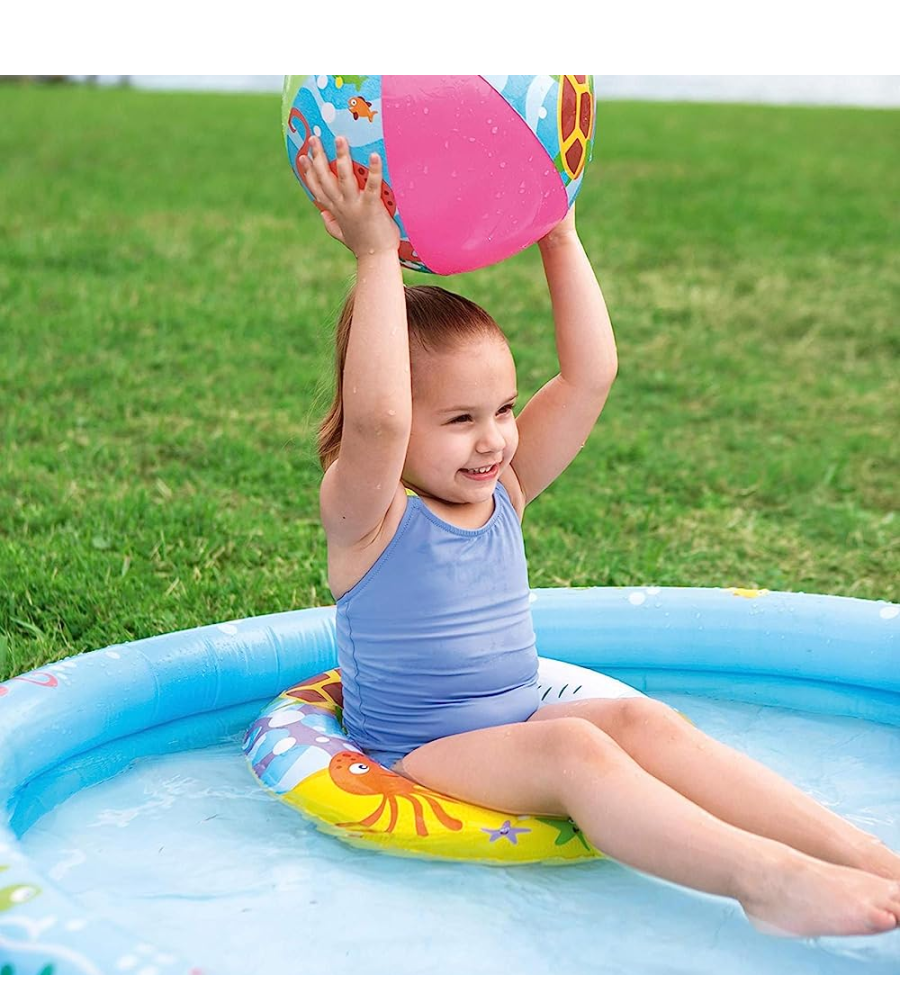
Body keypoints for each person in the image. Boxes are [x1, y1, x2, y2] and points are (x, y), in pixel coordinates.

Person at [299, 134, 900, 938]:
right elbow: (377, 416)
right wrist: (376, 257)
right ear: (405, 427)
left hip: (512, 718)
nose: (494, 440)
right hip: (424, 748)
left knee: (642, 722)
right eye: (459, 421)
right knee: (577, 753)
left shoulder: (502, 491)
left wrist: (559, 234)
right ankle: (764, 880)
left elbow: (589, 376)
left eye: (503, 410)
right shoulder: (368, 517)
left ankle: (862, 853)